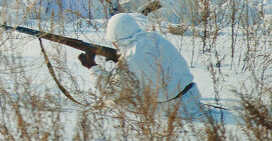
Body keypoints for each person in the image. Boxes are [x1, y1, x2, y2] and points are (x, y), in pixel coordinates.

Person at [79, 13, 208, 120]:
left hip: (172, 111)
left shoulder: (129, 59)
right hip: (193, 98)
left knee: (114, 103)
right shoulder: (155, 37)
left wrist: (92, 67)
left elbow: (110, 91)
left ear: (116, 39)